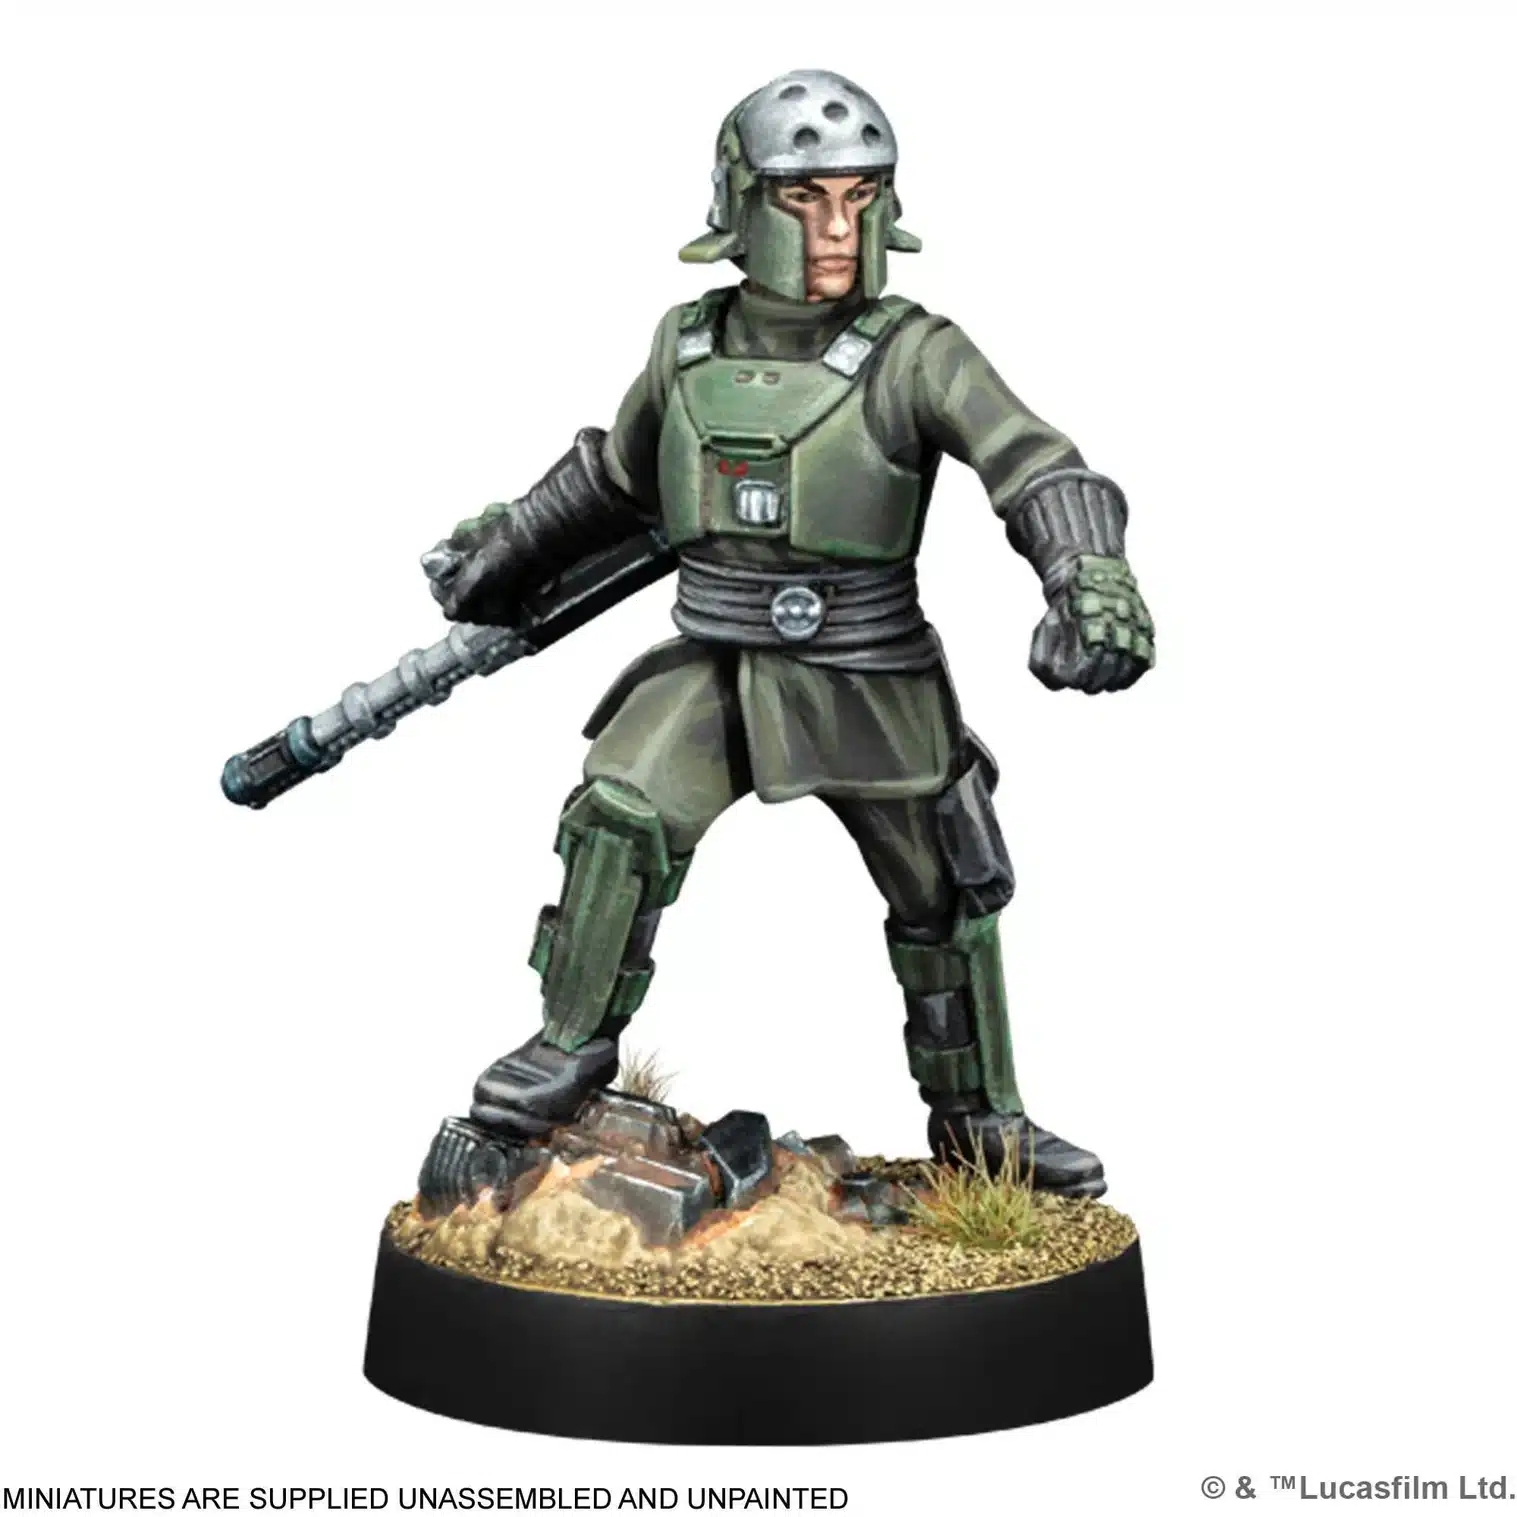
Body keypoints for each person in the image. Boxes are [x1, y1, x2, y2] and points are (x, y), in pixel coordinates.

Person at [417, 68, 1154, 1207]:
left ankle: (980, 1117)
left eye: (858, 198)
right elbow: (618, 478)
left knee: (947, 894)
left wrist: (1086, 573)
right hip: (716, 662)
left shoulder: (916, 352)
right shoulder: (685, 345)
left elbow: (1034, 462)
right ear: (742, 206)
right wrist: (507, 549)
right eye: (804, 198)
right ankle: (563, 1050)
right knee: (618, 813)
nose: (835, 228)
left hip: (868, 674)